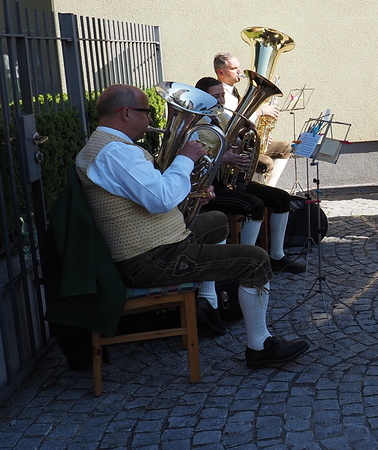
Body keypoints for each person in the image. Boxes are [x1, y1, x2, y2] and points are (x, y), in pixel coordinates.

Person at [75, 84, 309, 368]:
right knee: (256, 260)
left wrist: (190, 190)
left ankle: (208, 301)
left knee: (218, 221)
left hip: (152, 244)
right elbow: (160, 199)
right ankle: (259, 347)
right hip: (149, 259)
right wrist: (185, 158)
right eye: (146, 112)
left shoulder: (107, 146)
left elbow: (147, 191)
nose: (150, 119)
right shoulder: (115, 153)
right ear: (126, 113)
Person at [195, 77, 305, 274]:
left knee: (281, 198)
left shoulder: (222, 117)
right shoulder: (196, 122)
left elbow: (238, 142)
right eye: (215, 96)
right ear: (202, 97)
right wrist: (223, 158)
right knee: (254, 205)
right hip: (208, 186)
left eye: (222, 95)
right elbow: (194, 157)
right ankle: (249, 262)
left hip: (230, 181)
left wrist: (247, 134)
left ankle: (277, 255)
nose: (221, 100)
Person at [213, 52, 292, 187]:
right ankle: (258, 189)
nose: (239, 71)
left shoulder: (234, 91)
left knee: (284, 147)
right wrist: (261, 111)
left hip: (246, 141)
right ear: (221, 72)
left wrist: (261, 136)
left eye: (239, 67)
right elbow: (233, 123)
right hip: (235, 145)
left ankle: (271, 186)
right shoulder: (221, 96)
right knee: (267, 163)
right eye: (234, 68)